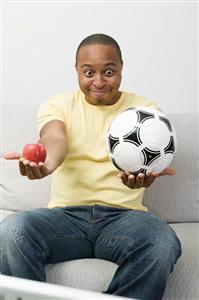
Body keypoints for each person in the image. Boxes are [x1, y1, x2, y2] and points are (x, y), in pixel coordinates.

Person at [1, 33, 181, 300]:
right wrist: (47, 164)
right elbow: (54, 138)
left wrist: (144, 176)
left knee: (162, 241)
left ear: (121, 68)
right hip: (65, 219)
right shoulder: (59, 104)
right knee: (11, 230)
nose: (99, 81)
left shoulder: (144, 109)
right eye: (89, 72)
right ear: (77, 70)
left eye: (109, 71)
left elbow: (150, 160)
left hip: (123, 219)